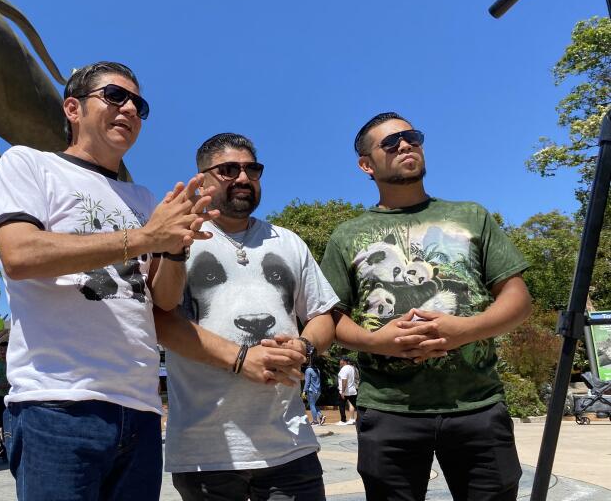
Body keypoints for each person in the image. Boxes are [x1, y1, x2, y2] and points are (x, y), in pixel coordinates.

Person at [0, 63, 306, 500]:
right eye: (115, 96)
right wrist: (145, 237)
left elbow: (162, 300)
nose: (130, 108)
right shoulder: (29, 164)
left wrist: (174, 248)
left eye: (139, 103)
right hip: (58, 402)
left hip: (138, 410)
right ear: (72, 108)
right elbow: (20, 255)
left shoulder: (141, 198)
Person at [163, 133, 446, 501]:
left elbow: (323, 315)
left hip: (290, 445)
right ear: (202, 178)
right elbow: (161, 316)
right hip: (206, 453)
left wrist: (305, 347)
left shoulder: (287, 241)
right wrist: (240, 359)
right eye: (229, 169)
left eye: (253, 169)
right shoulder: (177, 238)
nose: (244, 178)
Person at [320, 111, 533, 500]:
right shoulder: (345, 235)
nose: (405, 144)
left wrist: (465, 330)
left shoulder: (471, 216)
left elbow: (518, 299)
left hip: (477, 404)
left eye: (412, 136)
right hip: (388, 410)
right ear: (366, 165)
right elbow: (331, 317)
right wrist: (379, 342)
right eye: (390, 142)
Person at [303, 355, 325, 426]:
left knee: (312, 405)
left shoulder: (308, 370)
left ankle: (315, 421)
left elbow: (307, 382)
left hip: (311, 390)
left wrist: (304, 391)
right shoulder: (317, 370)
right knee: (314, 405)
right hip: (318, 390)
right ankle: (321, 416)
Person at [335, 356, 358, 426]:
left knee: (341, 405)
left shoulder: (344, 369)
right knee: (355, 405)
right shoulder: (351, 368)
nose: (339, 362)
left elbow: (344, 380)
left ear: (343, 361)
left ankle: (343, 420)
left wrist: (342, 391)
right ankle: (359, 419)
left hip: (345, 391)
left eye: (340, 360)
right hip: (352, 390)